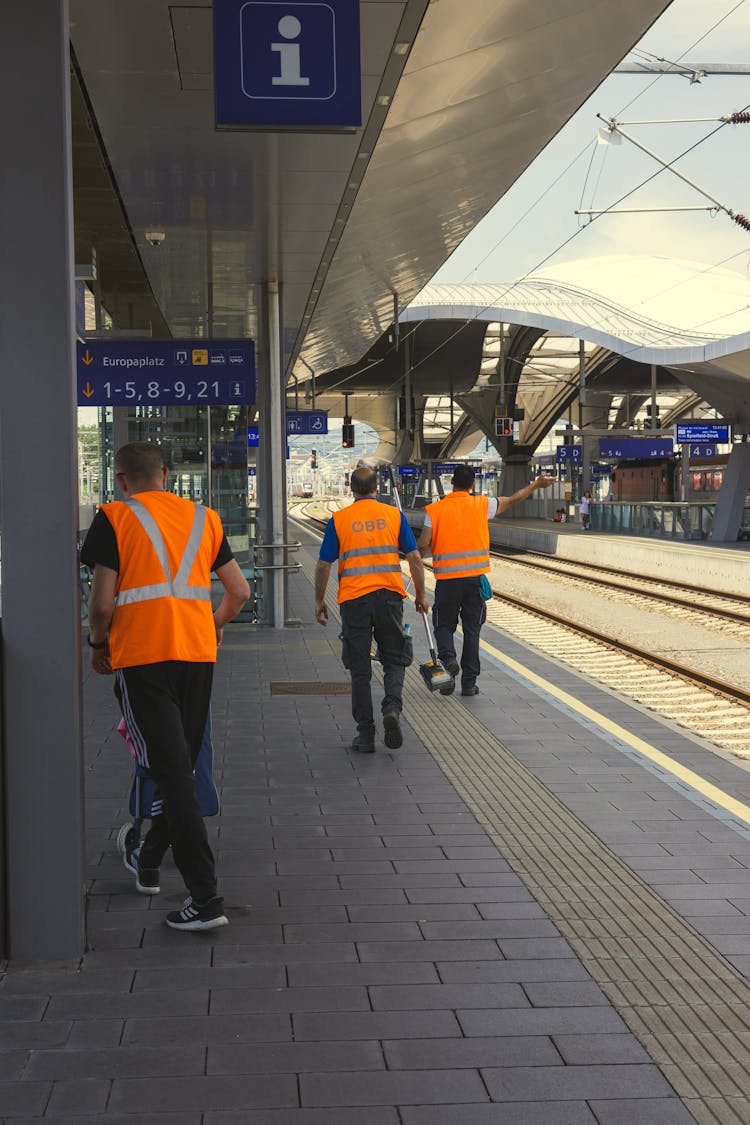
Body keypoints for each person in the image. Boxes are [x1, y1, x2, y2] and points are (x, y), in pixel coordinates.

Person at [81, 442, 250, 932]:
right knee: (181, 765)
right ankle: (148, 857)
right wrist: (214, 623)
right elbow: (239, 592)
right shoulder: (204, 518)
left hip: (142, 658)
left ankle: (205, 898)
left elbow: (101, 603)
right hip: (197, 657)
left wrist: (97, 645)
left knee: (172, 773)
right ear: (167, 474)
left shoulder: (113, 517)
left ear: (121, 479)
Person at [315, 466, 428, 753]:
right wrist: (420, 595)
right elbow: (414, 557)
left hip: (354, 602)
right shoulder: (393, 515)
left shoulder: (340, 519)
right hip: (390, 597)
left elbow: (323, 564)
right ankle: (391, 707)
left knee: (360, 669)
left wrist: (319, 600)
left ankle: (366, 736)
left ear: (352, 489)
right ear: (377, 489)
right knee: (394, 659)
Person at [417, 466, 555, 696]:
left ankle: (449, 660)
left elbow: (423, 543)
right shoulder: (483, 504)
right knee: (472, 631)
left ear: (452, 482)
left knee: (443, 625)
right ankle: (469, 684)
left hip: (447, 581)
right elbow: (513, 500)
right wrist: (535, 485)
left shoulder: (435, 510)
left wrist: (417, 563)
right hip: (474, 581)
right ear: (472, 485)